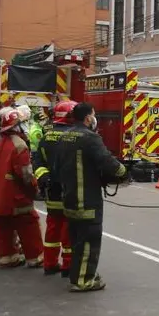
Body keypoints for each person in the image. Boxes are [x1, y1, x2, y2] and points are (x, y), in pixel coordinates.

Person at [56, 102, 128, 292]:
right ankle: (83, 280)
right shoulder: (90, 138)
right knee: (89, 240)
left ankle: (78, 273)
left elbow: (56, 166)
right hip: (87, 199)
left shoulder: (65, 136)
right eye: (94, 115)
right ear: (88, 117)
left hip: (69, 198)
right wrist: (123, 172)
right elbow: (107, 161)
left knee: (77, 240)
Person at [0, 107, 44, 269]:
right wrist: (34, 190)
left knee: (4, 226)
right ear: (16, 126)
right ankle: (35, 257)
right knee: (29, 225)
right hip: (16, 197)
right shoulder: (19, 145)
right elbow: (26, 174)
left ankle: (8, 257)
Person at [33, 100, 77, 277]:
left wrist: (44, 178)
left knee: (53, 227)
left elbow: (38, 161)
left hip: (52, 190)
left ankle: (50, 263)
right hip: (70, 189)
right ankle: (68, 265)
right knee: (69, 228)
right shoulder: (74, 136)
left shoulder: (47, 136)